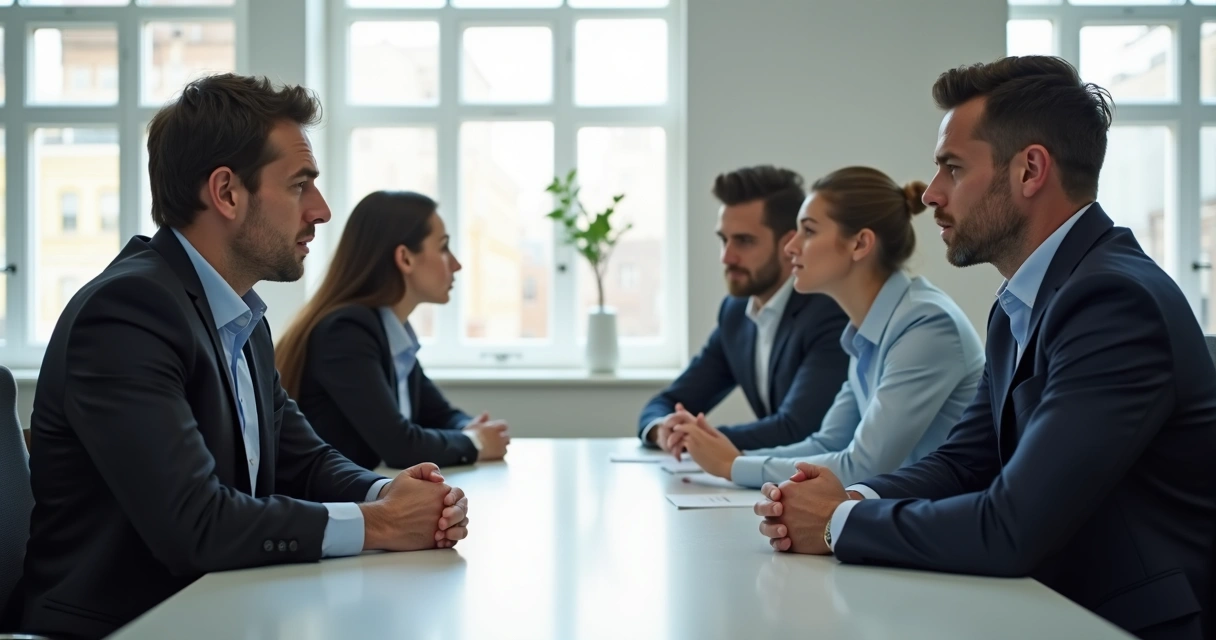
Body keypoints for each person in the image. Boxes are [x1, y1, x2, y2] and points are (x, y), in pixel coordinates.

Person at [754, 56, 1216, 640]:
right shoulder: (1019, 302)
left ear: (1030, 170)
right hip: (1049, 604)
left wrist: (838, 522)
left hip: (1126, 621)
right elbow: (965, 461)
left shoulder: (1113, 302)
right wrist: (848, 495)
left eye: (952, 168)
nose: (931, 194)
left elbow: (1012, 526)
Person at [20, 74, 470, 640]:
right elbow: (195, 524)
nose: (322, 211)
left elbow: (304, 460)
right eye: (300, 185)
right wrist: (379, 523)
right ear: (227, 193)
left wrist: (391, 493)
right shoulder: (128, 312)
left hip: (216, 609)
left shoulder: (239, 317)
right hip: (123, 627)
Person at [675, 167, 983, 488]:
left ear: (860, 244)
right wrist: (732, 458)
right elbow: (827, 444)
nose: (790, 247)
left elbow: (862, 466)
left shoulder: (927, 325)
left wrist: (731, 465)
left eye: (808, 231)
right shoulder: (867, 329)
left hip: (943, 514)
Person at [276, 190, 510, 470]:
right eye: (443, 247)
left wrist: (468, 428)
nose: (456, 265)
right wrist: (476, 442)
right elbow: (400, 446)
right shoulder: (346, 332)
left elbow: (440, 414)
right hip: (328, 496)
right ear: (405, 258)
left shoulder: (390, 331)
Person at [638, 165, 850, 452]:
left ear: (790, 245)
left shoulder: (829, 313)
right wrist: (662, 428)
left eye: (744, 241)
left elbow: (798, 428)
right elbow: (668, 402)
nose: (727, 257)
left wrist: (693, 437)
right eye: (723, 240)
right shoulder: (735, 313)